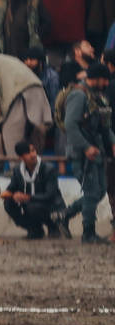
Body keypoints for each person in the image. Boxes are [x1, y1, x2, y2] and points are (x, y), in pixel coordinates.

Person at [59, 63, 111, 244]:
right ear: (96, 78)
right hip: (83, 153)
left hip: (96, 150)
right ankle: (88, 233)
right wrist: (85, 147)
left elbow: (104, 125)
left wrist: (111, 143)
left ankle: (64, 215)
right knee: (91, 192)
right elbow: (70, 125)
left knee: (100, 191)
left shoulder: (96, 97)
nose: (106, 83)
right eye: (104, 79)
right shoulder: (78, 95)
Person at [0, 45, 52, 159]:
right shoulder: (9, 58)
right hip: (37, 89)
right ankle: (34, 163)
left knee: (11, 132)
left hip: (17, 93)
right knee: (39, 128)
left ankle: (16, 167)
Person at [3, 140, 65, 239]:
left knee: (32, 206)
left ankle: (53, 227)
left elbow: (50, 195)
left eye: (33, 150)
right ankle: (34, 229)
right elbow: (11, 188)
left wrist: (27, 197)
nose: (33, 154)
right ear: (21, 157)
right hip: (30, 204)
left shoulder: (49, 169)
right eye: (28, 153)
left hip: (52, 207)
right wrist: (9, 195)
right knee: (8, 204)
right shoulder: (18, 170)